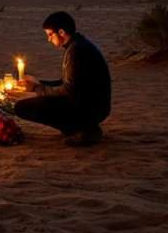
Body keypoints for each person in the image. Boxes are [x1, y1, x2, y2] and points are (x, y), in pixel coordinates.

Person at [13, 11, 111, 146]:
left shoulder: (76, 50)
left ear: (61, 32)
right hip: (91, 104)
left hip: (91, 108)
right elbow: (69, 82)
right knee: (38, 101)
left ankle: (84, 129)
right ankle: (81, 128)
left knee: (22, 107)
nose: (49, 39)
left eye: (50, 35)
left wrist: (37, 89)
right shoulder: (77, 45)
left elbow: (69, 90)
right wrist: (40, 83)